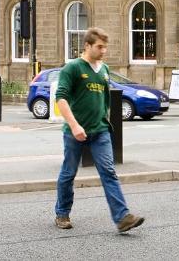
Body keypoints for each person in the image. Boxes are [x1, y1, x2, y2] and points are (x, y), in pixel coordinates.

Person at [54, 27, 144, 234]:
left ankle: (122, 218)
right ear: (87, 45)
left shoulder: (104, 69)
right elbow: (61, 98)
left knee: (109, 172)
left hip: (100, 131)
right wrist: (75, 125)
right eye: (99, 47)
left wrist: (104, 116)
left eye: (105, 47)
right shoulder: (73, 68)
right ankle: (62, 213)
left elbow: (105, 99)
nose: (104, 51)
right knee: (68, 173)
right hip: (74, 131)